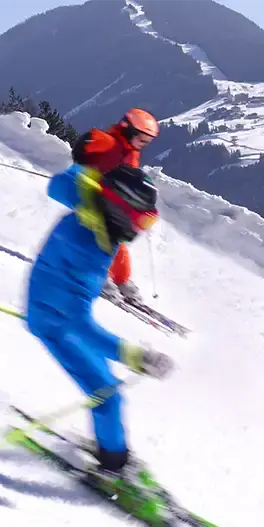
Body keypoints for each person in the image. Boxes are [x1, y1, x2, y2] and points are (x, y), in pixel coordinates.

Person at [25, 160, 174, 481]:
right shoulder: (87, 249)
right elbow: (78, 326)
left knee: (108, 391)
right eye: (143, 221)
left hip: (55, 308)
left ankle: (114, 452)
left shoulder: (91, 213)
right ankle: (112, 468)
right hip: (54, 324)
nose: (142, 230)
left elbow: (77, 177)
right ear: (119, 209)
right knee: (108, 398)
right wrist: (138, 357)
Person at [71, 108, 160, 304]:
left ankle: (121, 279)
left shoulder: (131, 152)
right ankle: (95, 273)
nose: (144, 145)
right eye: (143, 139)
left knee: (116, 238)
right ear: (129, 130)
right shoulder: (109, 142)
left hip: (110, 200)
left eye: (148, 142)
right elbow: (86, 148)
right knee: (98, 235)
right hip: (90, 196)